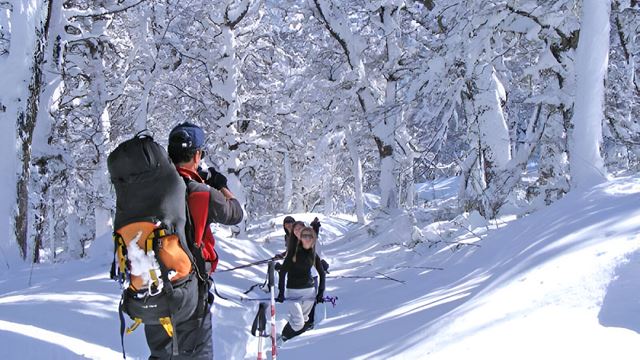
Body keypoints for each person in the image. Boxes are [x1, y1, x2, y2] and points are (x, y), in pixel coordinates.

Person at [140, 121, 242, 359]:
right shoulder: (202, 192)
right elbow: (235, 213)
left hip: (152, 290)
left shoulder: (149, 191)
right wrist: (221, 185)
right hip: (190, 293)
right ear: (197, 155)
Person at [276, 226, 326, 341]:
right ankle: (284, 337)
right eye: (304, 236)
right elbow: (283, 272)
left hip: (309, 293)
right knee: (298, 323)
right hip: (293, 292)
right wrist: (281, 293)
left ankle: (283, 339)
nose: (307, 238)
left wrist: (320, 293)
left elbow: (322, 274)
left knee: (303, 319)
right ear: (300, 238)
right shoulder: (293, 253)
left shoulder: (313, 254)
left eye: (310, 236)